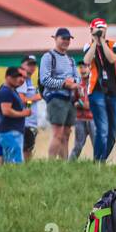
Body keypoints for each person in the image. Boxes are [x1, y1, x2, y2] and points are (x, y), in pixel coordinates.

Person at [83, 17, 116, 162]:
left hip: (112, 91)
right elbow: (86, 61)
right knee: (102, 129)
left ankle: (102, 160)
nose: (100, 31)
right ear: (91, 30)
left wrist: (103, 42)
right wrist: (95, 41)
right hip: (96, 91)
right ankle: (98, 162)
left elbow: (112, 59)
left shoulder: (114, 44)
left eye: (102, 29)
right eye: (97, 28)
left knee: (112, 132)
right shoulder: (88, 46)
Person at [39, 27, 81, 159]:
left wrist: (73, 82)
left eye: (68, 39)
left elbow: (78, 78)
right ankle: (51, 163)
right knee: (57, 133)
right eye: (63, 38)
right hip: (56, 98)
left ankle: (64, 163)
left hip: (70, 99)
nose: (66, 41)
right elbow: (44, 79)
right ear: (55, 39)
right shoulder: (48, 57)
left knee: (67, 134)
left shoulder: (71, 60)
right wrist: (64, 83)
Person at [0, 66, 33, 165]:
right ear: (7, 77)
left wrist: (25, 109)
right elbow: (6, 111)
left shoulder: (12, 91)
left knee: (10, 160)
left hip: (14, 130)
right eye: (15, 77)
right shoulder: (5, 92)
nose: (19, 79)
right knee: (16, 162)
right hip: (9, 131)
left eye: (22, 77)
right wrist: (23, 113)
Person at [18, 55, 43, 160]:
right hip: (25, 123)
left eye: (34, 65)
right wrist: (37, 97)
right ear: (22, 65)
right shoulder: (21, 81)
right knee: (26, 151)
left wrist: (30, 102)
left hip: (31, 122)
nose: (32, 67)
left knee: (29, 149)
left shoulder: (29, 81)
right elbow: (22, 100)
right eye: (29, 64)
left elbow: (27, 102)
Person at [70, 61, 94, 161]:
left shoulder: (95, 83)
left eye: (86, 67)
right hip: (80, 119)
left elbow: (93, 104)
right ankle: (68, 166)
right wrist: (78, 103)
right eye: (81, 67)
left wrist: (82, 105)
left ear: (90, 68)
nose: (83, 69)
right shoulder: (77, 84)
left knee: (97, 145)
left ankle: (100, 166)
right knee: (78, 146)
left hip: (93, 119)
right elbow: (73, 100)